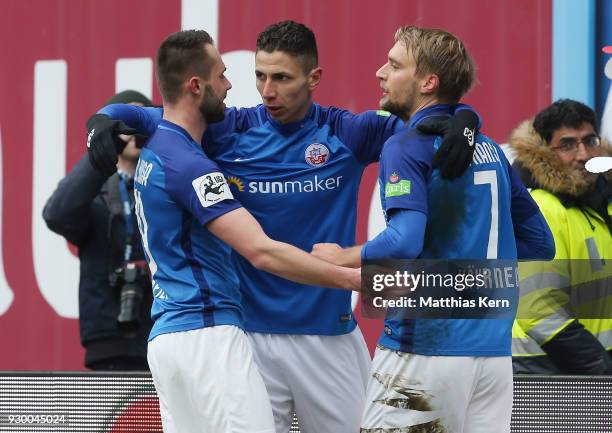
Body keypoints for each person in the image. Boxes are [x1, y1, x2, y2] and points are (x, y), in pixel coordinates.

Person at [87, 21, 479, 433]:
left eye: (282, 78)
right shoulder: (227, 130)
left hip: (328, 338)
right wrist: (103, 116)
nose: (267, 90)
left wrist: (466, 117)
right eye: (259, 75)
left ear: (314, 78)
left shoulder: (348, 132)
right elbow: (150, 115)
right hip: (250, 339)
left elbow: (430, 120)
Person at [116, 29, 362, 433]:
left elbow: (144, 115)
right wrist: (352, 276)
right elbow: (261, 251)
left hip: (168, 336)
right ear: (197, 86)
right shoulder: (191, 166)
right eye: (223, 75)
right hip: (206, 333)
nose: (232, 86)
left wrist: (107, 116)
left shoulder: (159, 151)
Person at [311, 26, 555, 433]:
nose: (379, 72)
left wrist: (341, 256)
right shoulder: (492, 150)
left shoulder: (405, 145)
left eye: (394, 65)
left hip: (425, 348)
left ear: (428, 82)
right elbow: (539, 243)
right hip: (493, 359)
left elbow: (404, 240)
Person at [43, 90, 153, 371]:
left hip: (162, 331)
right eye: (123, 122)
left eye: (140, 121)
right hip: (108, 336)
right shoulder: (94, 195)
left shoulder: (163, 188)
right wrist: (101, 154)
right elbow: (57, 214)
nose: (132, 131)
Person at [509, 99, 612, 375]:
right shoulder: (540, 209)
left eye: (590, 141)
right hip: (543, 372)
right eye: (567, 145)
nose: (583, 155)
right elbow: (539, 311)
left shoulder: (603, 199)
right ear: (545, 152)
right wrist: (601, 369)